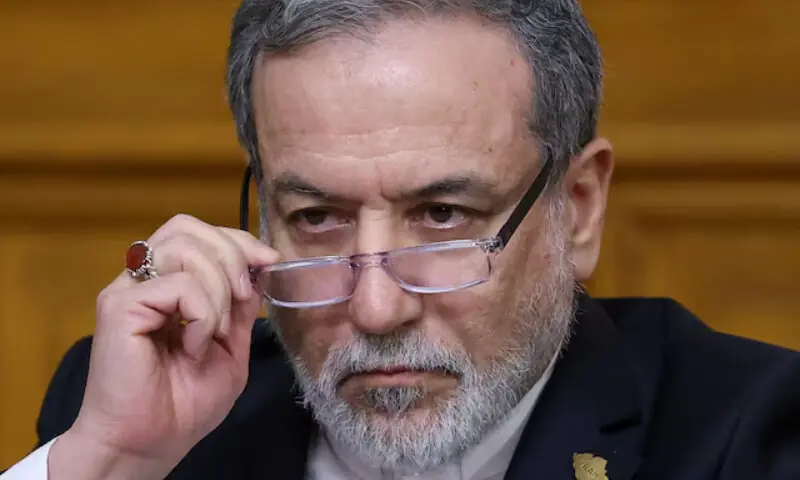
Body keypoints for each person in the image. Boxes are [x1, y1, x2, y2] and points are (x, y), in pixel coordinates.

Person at [3, 0, 799, 478]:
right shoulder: (141, 418)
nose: (377, 309)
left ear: (579, 207)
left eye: (444, 215)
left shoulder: (749, 434)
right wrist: (107, 461)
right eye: (317, 218)